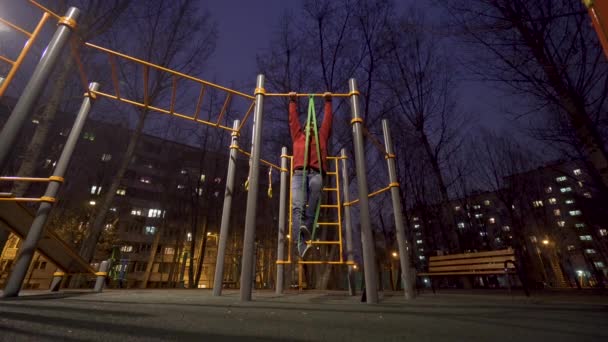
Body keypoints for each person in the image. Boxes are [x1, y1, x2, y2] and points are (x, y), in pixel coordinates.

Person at [288, 91, 333, 259]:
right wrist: (292, 101)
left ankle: (307, 223)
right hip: (299, 174)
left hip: (316, 172)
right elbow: (293, 120)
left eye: (313, 126)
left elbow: (327, 121)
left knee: (316, 187)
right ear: (305, 127)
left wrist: (328, 102)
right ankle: (300, 245)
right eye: (308, 125)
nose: (310, 127)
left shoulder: (321, 137)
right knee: (297, 206)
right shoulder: (298, 137)